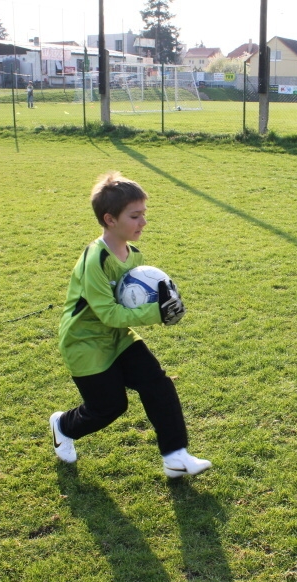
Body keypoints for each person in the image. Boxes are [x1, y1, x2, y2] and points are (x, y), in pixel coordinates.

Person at [51, 171, 211, 478]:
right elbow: (109, 314)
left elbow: (129, 306)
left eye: (144, 215)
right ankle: (63, 425)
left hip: (119, 337)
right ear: (110, 219)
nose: (143, 223)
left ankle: (176, 456)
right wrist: (156, 313)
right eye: (135, 216)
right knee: (108, 407)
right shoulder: (94, 260)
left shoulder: (134, 256)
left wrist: (165, 307)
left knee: (157, 383)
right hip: (85, 343)